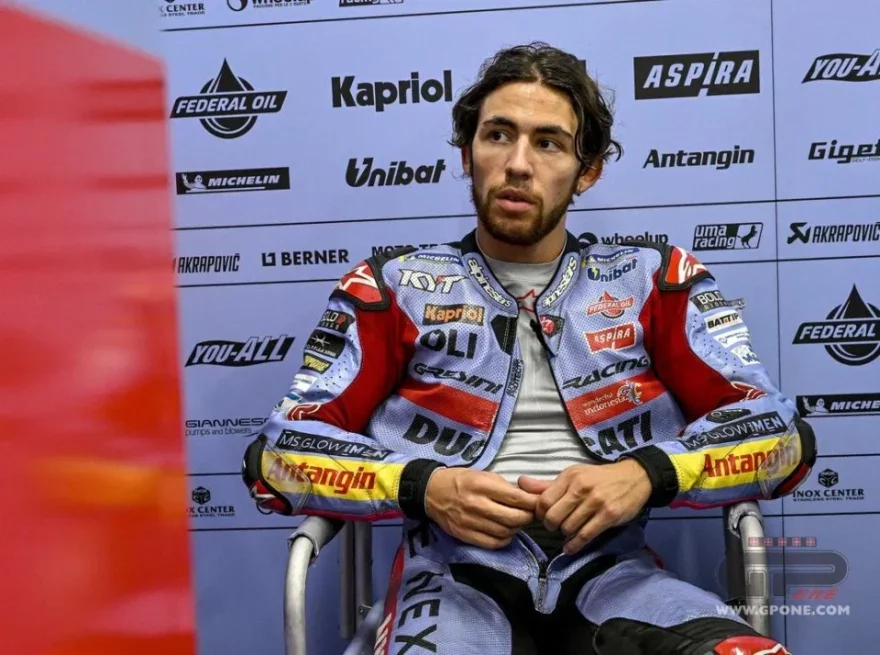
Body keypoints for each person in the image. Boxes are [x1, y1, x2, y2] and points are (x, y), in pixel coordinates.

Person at [242, 42, 815, 655]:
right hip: (451, 577)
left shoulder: (655, 279)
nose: (518, 164)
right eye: (498, 136)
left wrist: (648, 473)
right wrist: (422, 486)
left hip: (616, 573)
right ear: (467, 155)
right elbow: (277, 455)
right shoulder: (392, 286)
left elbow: (783, 439)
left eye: (548, 143)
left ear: (587, 171)